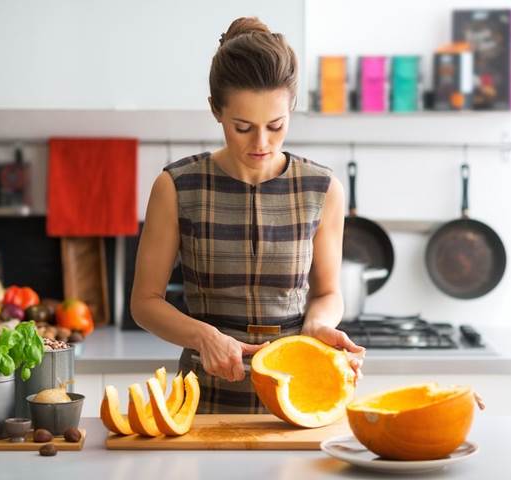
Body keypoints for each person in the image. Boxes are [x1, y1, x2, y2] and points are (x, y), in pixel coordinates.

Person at [131, 17, 364, 413]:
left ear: (291, 107)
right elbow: (144, 302)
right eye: (242, 127)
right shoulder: (176, 186)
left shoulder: (322, 189)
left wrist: (318, 325)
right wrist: (203, 336)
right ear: (215, 111)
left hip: (300, 394)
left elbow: (327, 292)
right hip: (203, 400)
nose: (261, 143)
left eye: (275, 126)